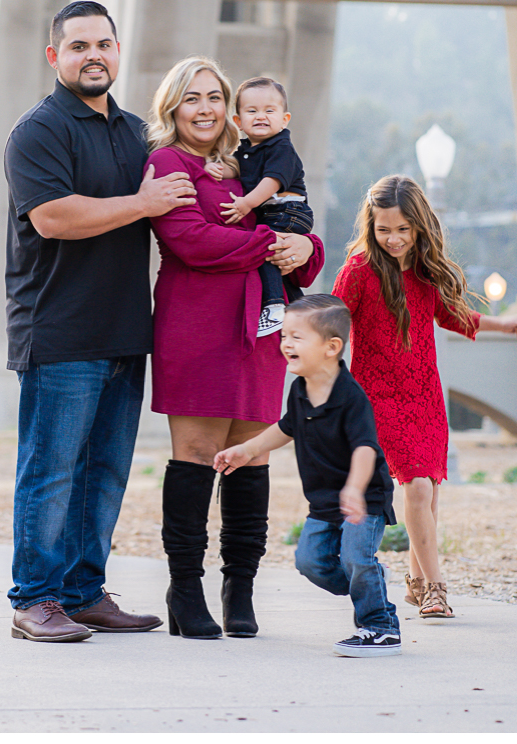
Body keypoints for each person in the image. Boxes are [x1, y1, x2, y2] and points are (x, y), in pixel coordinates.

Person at [4, 0, 198, 643]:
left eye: (105, 45)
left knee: (106, 471)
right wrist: (142, 202)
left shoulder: (137, 132)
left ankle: (84, 594)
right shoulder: (38, 131)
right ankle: (34, 599)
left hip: (124, 329)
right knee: (51, 470)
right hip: (58, 330)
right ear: (54, 55)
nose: (94, 55)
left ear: (118, 52)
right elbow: (53, 218)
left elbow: (196, 190)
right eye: (79, 45)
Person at [144, 55, 324, 639]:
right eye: (191, 98)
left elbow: (290, 221)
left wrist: (307, 249)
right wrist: (273, 241)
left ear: (229, 107)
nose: (204, 109)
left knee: (251, 454)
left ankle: (239, 589)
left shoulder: (246, 160)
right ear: (173, 106)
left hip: (260, 328)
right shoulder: (167, 163)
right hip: (195, 325)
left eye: (214, 97)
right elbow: (193, 240)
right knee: (196, 453)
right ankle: (185, 590)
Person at [332, 175, 517, 621]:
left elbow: (454, 316)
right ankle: (437, 590)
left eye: (404, 229)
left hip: (423, 394)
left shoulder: (424, 273)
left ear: (420, 226)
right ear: (371, 226)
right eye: (384, 230)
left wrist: (505, 324)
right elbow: (334, 323)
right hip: (377, 395)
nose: (394, 238)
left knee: (428, 494)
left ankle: (416, 582)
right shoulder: (359, 272)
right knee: (417, 487)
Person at [214, 294, 401, 658]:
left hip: (363, 500)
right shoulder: (300, 390)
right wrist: (247, 449)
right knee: (310, 562)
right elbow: (286, 427)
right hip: (323, 501)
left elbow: (366, 447)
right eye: (284, 336)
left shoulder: (350, 396)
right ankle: (371, 580)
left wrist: (354, 488)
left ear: (332, 347)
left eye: (296, 337)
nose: (285, 344)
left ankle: (380, 626)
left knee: (356, 559)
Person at [206, 76, 314, 336]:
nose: (261, 116)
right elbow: (238, 170)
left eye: (269, 110)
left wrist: (246, 204)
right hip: (276, 213)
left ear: (284, 119)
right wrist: (217, 169)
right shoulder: (246, 150)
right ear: (238, 121)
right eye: (252, 111)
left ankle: (274, 306)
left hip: (290, 211)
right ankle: (295, 306)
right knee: (276, 259)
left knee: (262, 245)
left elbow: (272, 181)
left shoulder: (281, 148)